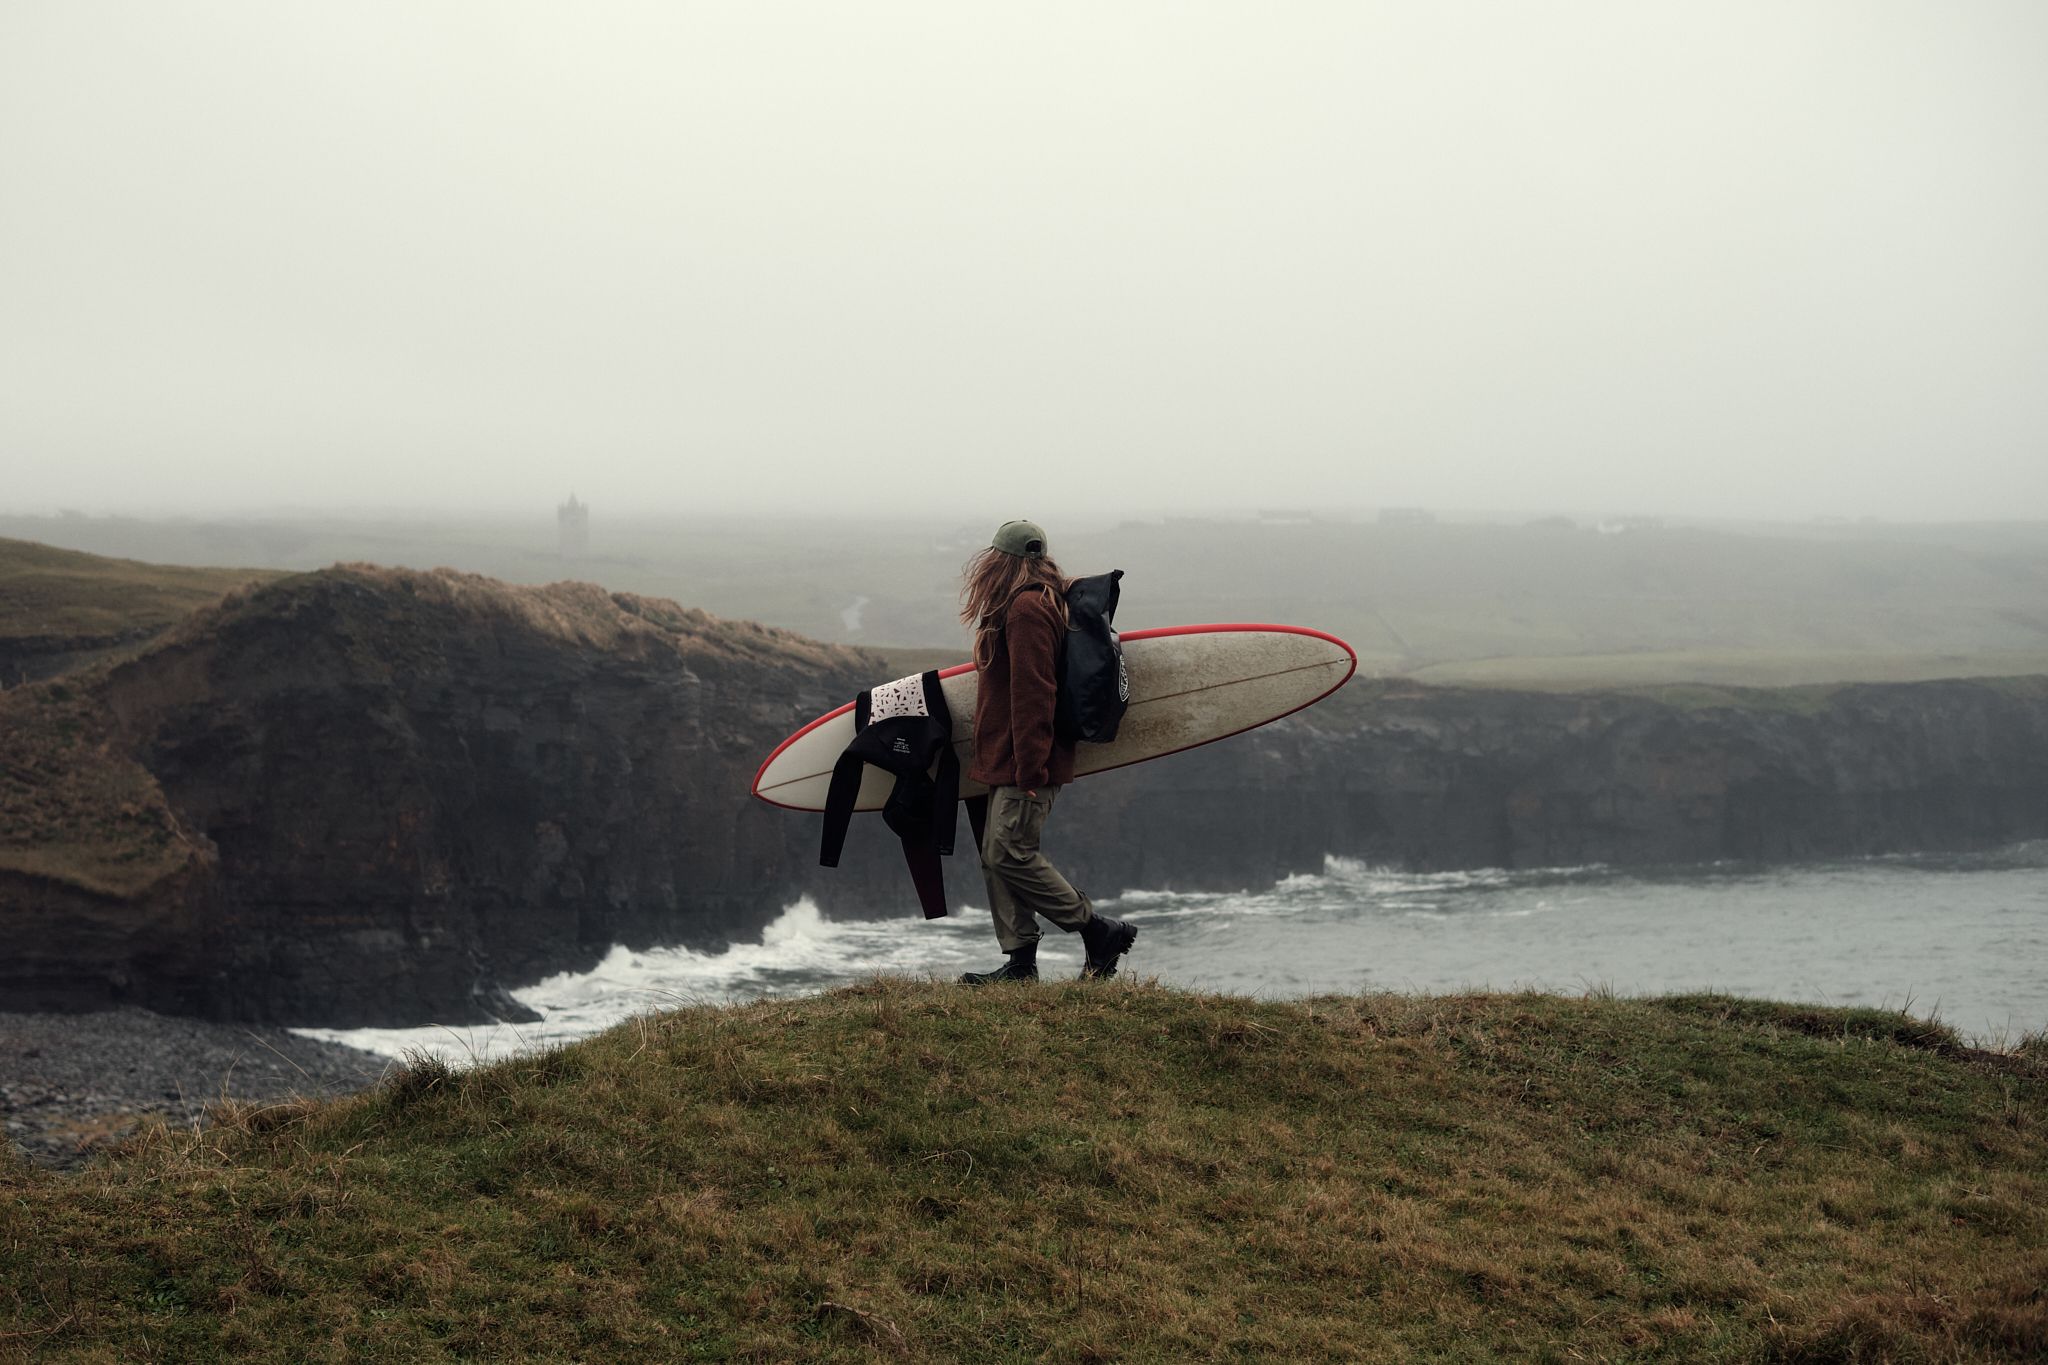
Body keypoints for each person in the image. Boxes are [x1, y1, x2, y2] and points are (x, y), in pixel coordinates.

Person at [956, 519, 1137, 984]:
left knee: (1008, 852)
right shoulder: (1034, 602)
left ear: (999, 562)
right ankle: (1019, 964)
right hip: (1009, 756)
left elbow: (1035, 692)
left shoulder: (1027, 609)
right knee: (995, 853)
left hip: (1026, 760)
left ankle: (1098, 929)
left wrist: (1031, 768)